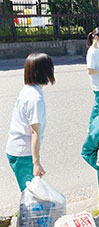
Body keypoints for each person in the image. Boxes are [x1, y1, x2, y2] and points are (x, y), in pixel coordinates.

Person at [6, 53, 55, 192]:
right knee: (31, 196)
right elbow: (34, 132)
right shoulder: (35, 98)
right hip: (23, 154)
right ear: (44, 72)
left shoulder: (28, 90)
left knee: (31, 194)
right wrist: (36, 163)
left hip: (18, 150)